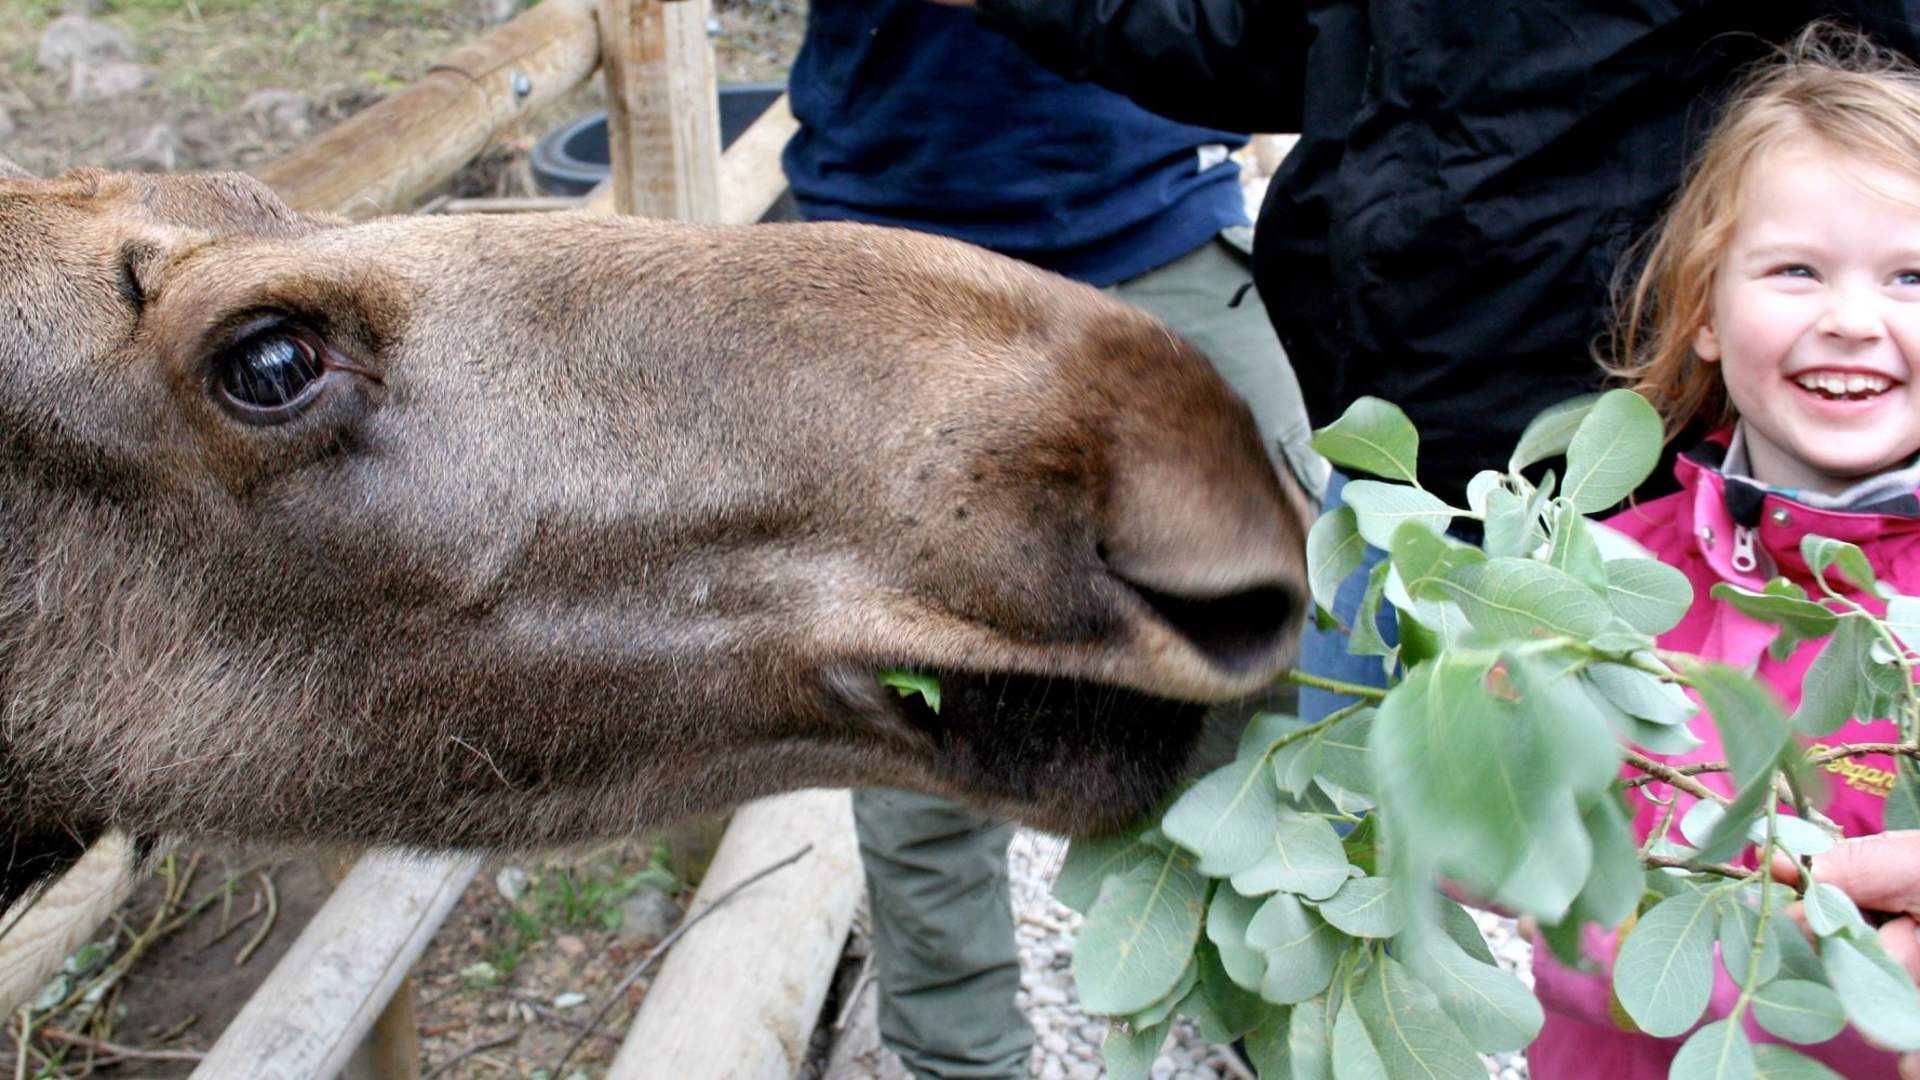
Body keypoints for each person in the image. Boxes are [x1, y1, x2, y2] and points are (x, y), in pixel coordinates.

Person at [933, 0, 1920, 721]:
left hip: (1622, 472)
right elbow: (1267, 36)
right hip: (1389, 450)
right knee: (1349, 852)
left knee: (1665, 832)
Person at [780, 4, 1322, 1076]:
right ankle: (960, 1060)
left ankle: (1277, 1020)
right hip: (891, 256)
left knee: (1289, 656)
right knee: (910, 703)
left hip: (1167, 221)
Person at [1528, 28, 1920, 1077]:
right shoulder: (1601, 582)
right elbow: (1530, 893)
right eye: (1796, 269)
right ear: (1703, 308)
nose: (1851, 320)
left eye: (1912, 279)